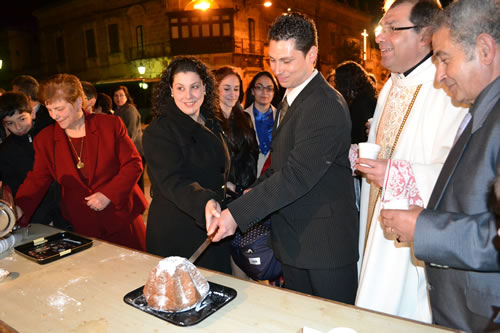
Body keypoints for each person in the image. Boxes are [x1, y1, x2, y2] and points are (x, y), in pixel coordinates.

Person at [206, 12, 358, 303]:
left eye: (287, 61)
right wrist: (255, 189)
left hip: (323, 243)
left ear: (312, 54)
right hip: (294, 239)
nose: (278, 70)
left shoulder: (324, 104)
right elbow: (279, 160)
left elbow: (296, 175)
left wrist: (237, 215)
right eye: (272, 60)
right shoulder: (291, 97)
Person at [380, 0, 500, 331]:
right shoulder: (483, 108)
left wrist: (426, 229)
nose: (439, 76)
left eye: (445, 59)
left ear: (485, 49)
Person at [354, 0, 468, 322]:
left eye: (393, 28)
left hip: (411, 243)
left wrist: (397, 173)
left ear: (425, 36)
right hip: (377, 233)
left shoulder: (447, 87)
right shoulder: (391, 84)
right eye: (381, 27)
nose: (380, 36)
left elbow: (457, 175)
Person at [15, 74, 147, 251]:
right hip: (83, 224)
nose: (54, 116)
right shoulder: (46, 139)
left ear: (78, 102)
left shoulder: (110, 125)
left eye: (59, 109)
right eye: (49, 109)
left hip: (121, 217)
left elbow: (133, 163)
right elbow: (37, 179)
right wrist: (17, 208)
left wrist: (109, 194)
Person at [143, 56, 232, 274]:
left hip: (211, 225)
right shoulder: (160, 130)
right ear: (171, 91)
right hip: (178, 232)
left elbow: (218, 167)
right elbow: (172, 180)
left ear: (204, 88)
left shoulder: (210, 121)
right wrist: (206, 201)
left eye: (194, 87)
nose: (188, 96)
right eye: (180, 88)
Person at [0, 92, 69, 229]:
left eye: (22, 119)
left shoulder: (52, 132)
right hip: (35, 214)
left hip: (66, 206)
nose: (18, 127)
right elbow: (12, 186)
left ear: (32, 113)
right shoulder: (5, 151)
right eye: (10, 123)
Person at [214, 66, 259, 196]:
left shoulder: (246, 118)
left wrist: (247, 185)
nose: (232, 94)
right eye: (226, 89)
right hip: (221, 193)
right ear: (216, 90)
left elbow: (253, 153)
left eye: (236, 89)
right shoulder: (209, 121)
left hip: (246, 190)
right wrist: (225, 185)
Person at [243, 70, 280, 175]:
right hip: (248, 178)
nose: (264, 92)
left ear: (274, 92)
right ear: (252, 91)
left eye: (269, 88)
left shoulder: (283, 118)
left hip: (274, 177)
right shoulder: (241, 118)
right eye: (259, 87)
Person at [333, 60, 377, 144]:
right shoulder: (366, 97)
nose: (335, 83)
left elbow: (357, 133)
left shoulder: (361, 103)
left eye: (337, 79)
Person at [112, 85, 145, 192]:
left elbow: (131, 133)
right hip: (130, 151)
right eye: (116, 95)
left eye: (121, 95)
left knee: (137, 183)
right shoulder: (118, 110)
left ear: (126, 96)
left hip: (136, 151)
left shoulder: (129, 109)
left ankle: (141, 206)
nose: (119, 98)